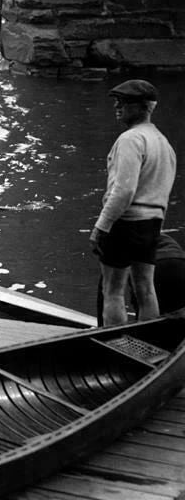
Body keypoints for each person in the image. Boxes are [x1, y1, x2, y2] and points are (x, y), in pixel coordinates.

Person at [90, 79, 177, 326]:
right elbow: (163, 191)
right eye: (117, 101)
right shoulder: (163, 143)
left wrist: (101, 226)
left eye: (125, 102)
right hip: (151, 225)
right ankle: (149, 342)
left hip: (125, 223)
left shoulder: (130, 139)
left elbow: (124, 190)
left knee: (113, 290)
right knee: (146, 289)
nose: (117, 105)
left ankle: (114, 346)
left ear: (144, 107)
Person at [95, 233, 185, 325]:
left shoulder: (111, 237)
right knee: (177, 314)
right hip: (180, 263)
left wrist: (100, 327)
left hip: (155, 266)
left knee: (142, 302)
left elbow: (106, 289)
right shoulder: (149, 227)